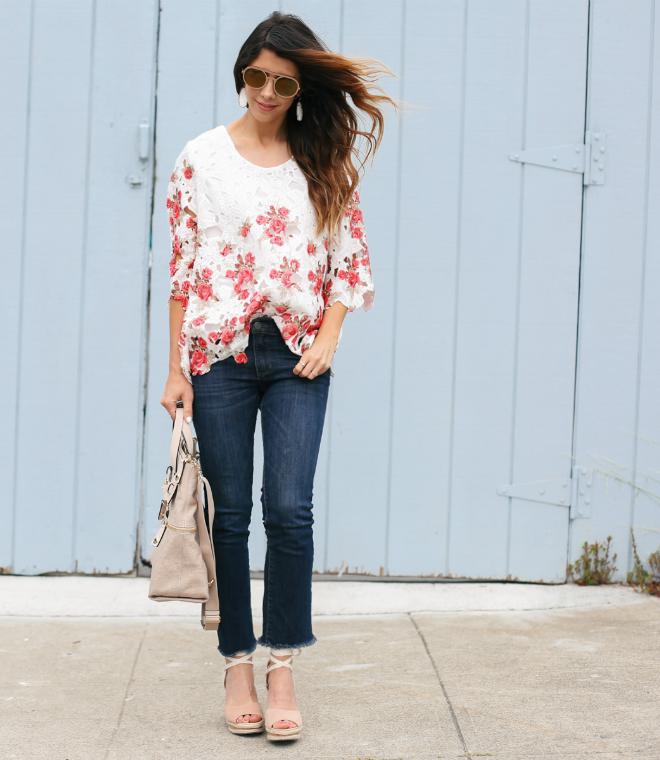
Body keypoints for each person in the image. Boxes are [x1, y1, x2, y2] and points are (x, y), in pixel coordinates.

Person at [159, 11, 394, 742]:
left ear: (299, 88)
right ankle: (237, 661)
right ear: (241, 75)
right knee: (228, 517)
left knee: (288, 511)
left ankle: (283, 659)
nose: (265, 90)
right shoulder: (200, 156)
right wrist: (174, 368)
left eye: (281, 81)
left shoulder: (323, 160)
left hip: (296, 355)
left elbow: (349, 265)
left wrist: (329, 337)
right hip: (218, 355)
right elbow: (182, 269)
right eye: (255, 76)